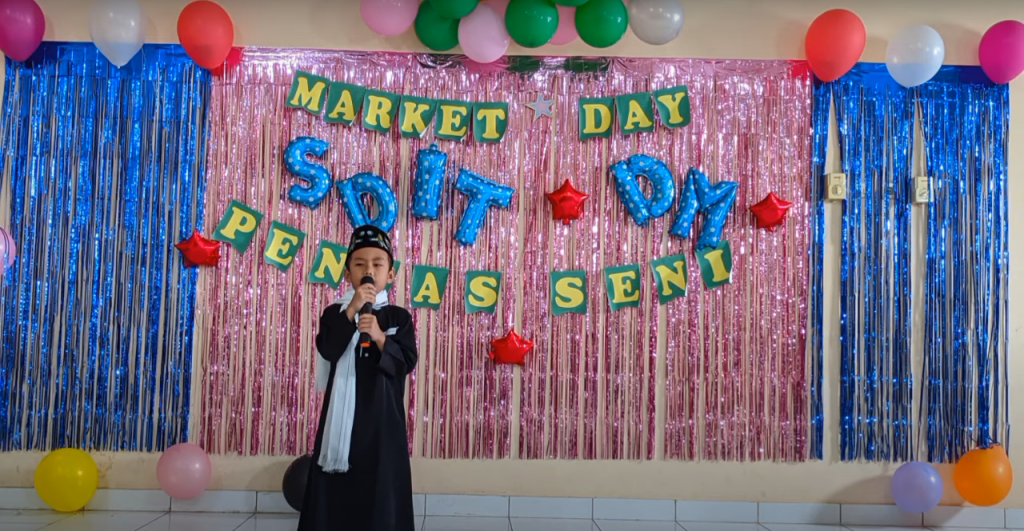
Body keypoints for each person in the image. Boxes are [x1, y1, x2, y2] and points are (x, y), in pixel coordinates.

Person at [298, 225, 417, 531]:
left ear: (390, 274)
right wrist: (351, 309)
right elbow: (328, 349)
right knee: (337, 491)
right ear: (347, 273)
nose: (369, 271)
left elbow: (404, 363)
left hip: (382, 420)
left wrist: (379, 336)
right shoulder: (335, 313)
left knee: (381, 487)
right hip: (342, 420)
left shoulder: (398, 317)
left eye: (377, 264)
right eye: (360, 264)